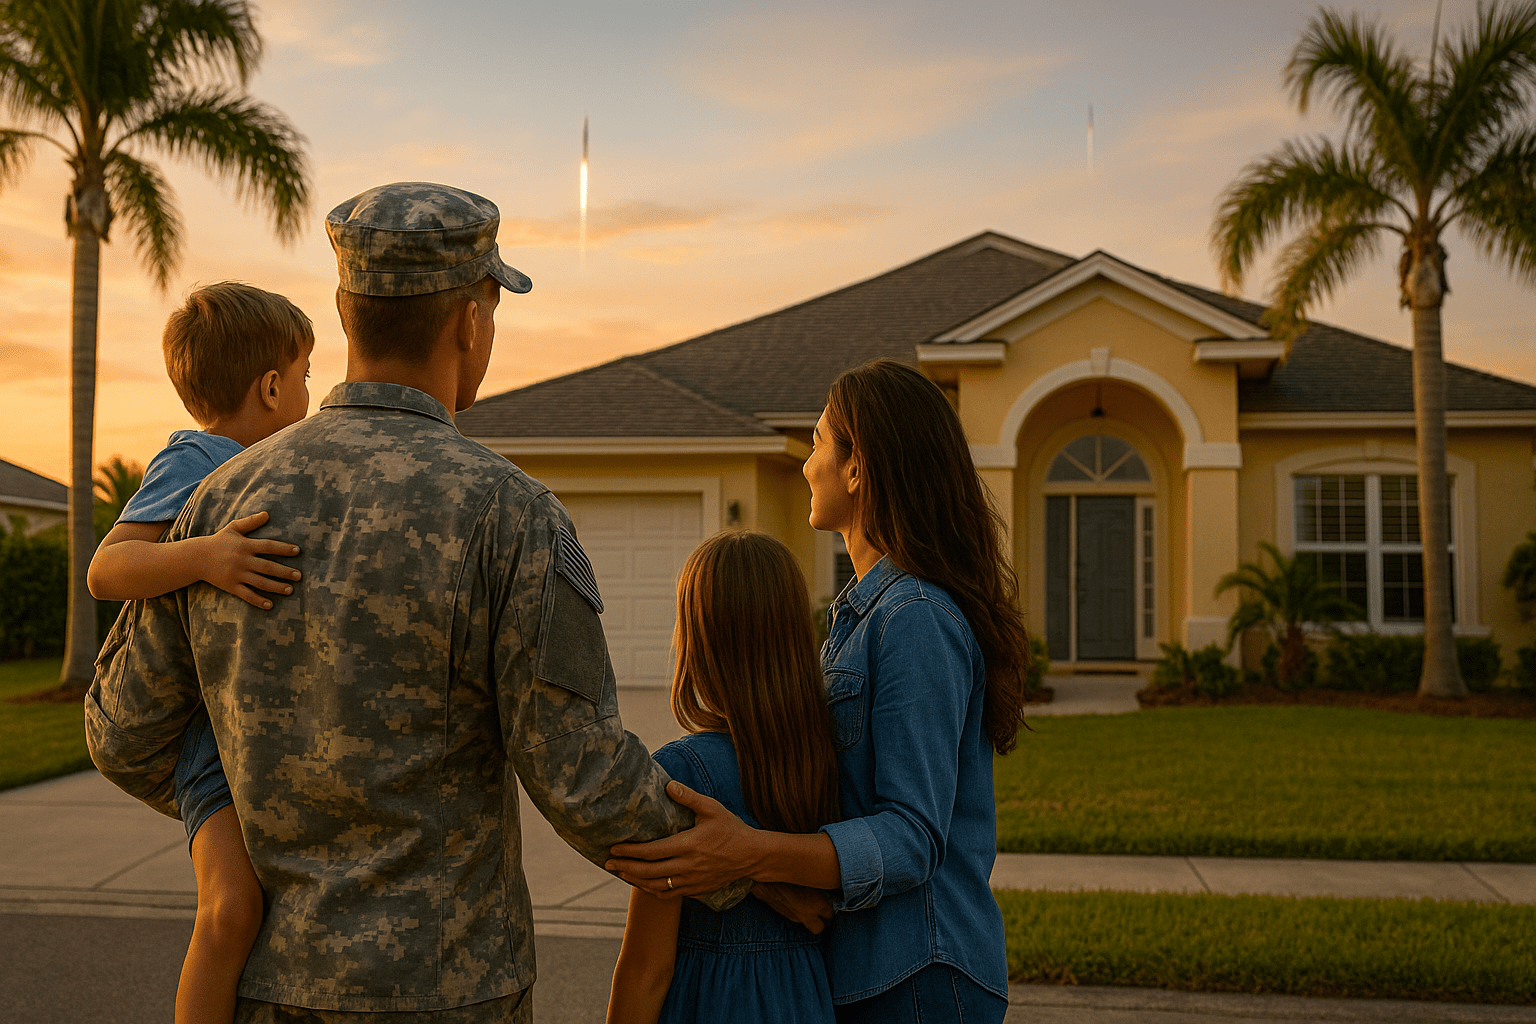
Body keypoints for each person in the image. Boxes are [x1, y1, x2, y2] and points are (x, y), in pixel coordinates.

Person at [86, 181, 743, 1024]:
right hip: (451, 989)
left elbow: (121, 729)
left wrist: (244, 796)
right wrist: (751, 871)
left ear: (346, 312)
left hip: (269, 988)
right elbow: (582, 776)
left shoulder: (213, 505)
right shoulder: (510, 514)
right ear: (471, 320)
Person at [607, 358, 1032, 1023]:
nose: (807, 465)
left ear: (857, 468)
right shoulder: (858, 618)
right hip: (871, 971)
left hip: (920, 972)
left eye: (816, 442)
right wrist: (758, 874)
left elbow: (913, 835)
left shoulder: (915, 618)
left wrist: (750, 854)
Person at [88, 282, 314, 1024]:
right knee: (230, 908)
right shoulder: (196, 459)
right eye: (307, 375)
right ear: (273, 386)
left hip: (255, 727)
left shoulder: (281, 468)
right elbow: (108, 569)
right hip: (206, 743)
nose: (311, 390)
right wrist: (206, 556)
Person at [606, 531, 838, 1024]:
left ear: (697, 640)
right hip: (805, 1001)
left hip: (711, 1001)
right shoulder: (829, 765)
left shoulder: (681, 777)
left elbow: (648, 968)